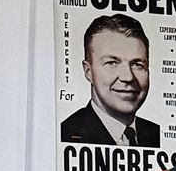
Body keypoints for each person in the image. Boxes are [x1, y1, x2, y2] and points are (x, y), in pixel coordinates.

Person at [59, 14, 161, 149]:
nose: (128, 77)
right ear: (88, 71)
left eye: (137, 64)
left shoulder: (156, 134)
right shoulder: (67, 133)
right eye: (112, 63)